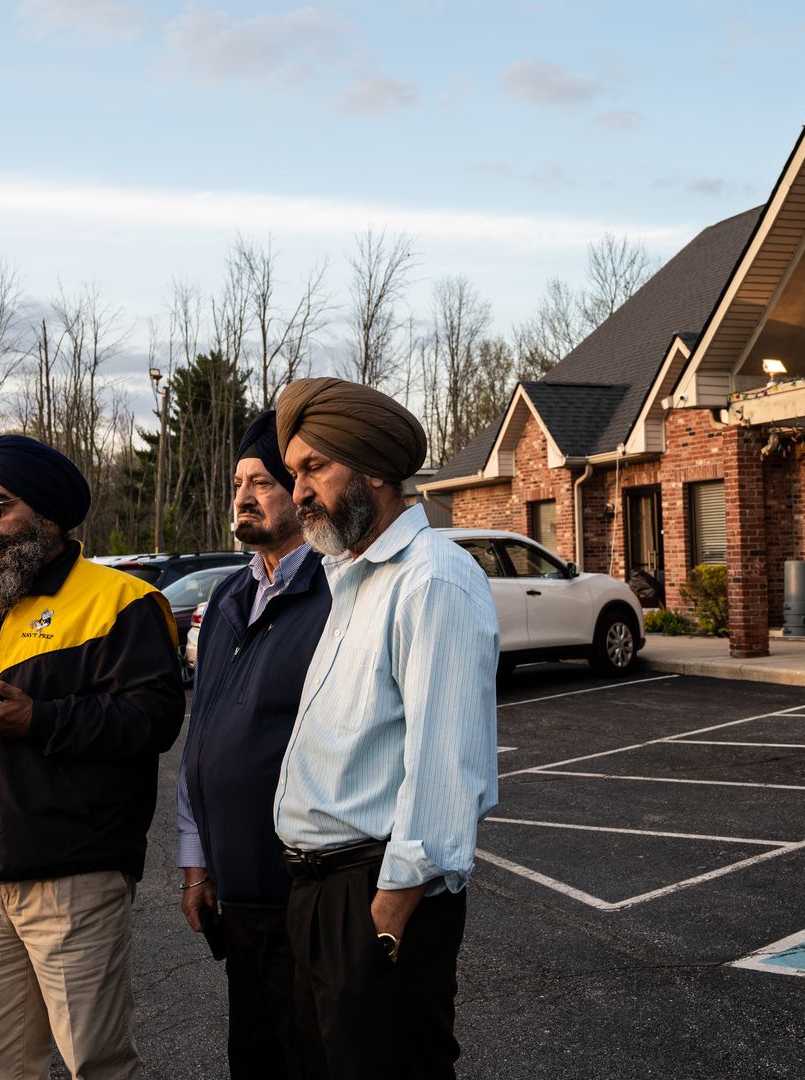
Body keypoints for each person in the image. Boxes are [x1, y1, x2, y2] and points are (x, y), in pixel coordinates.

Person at [0, 434, 185, 1080]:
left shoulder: (119, 601)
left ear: (47, 517)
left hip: (70, 880)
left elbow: (154, 718)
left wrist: (39, 720)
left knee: (97, 1066)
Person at [272, 378, 501, 1080]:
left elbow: (446, 765)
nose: (299, 491)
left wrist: (386, 917)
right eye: (293, 473)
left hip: (376, 899)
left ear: (373, 469)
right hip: (317, 894)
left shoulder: (431, 580)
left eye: (315, 468)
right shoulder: (352, 578)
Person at [176, 410, 332, 1080]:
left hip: (305, 894)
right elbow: (200, 736)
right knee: (255, 1057)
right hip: (234, 895)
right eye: (239, 481)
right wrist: (195, 863)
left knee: (314, 1056)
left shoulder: (335, 592)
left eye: (262, 480)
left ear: (299, 490)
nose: (244, 495)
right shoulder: (228, 598)